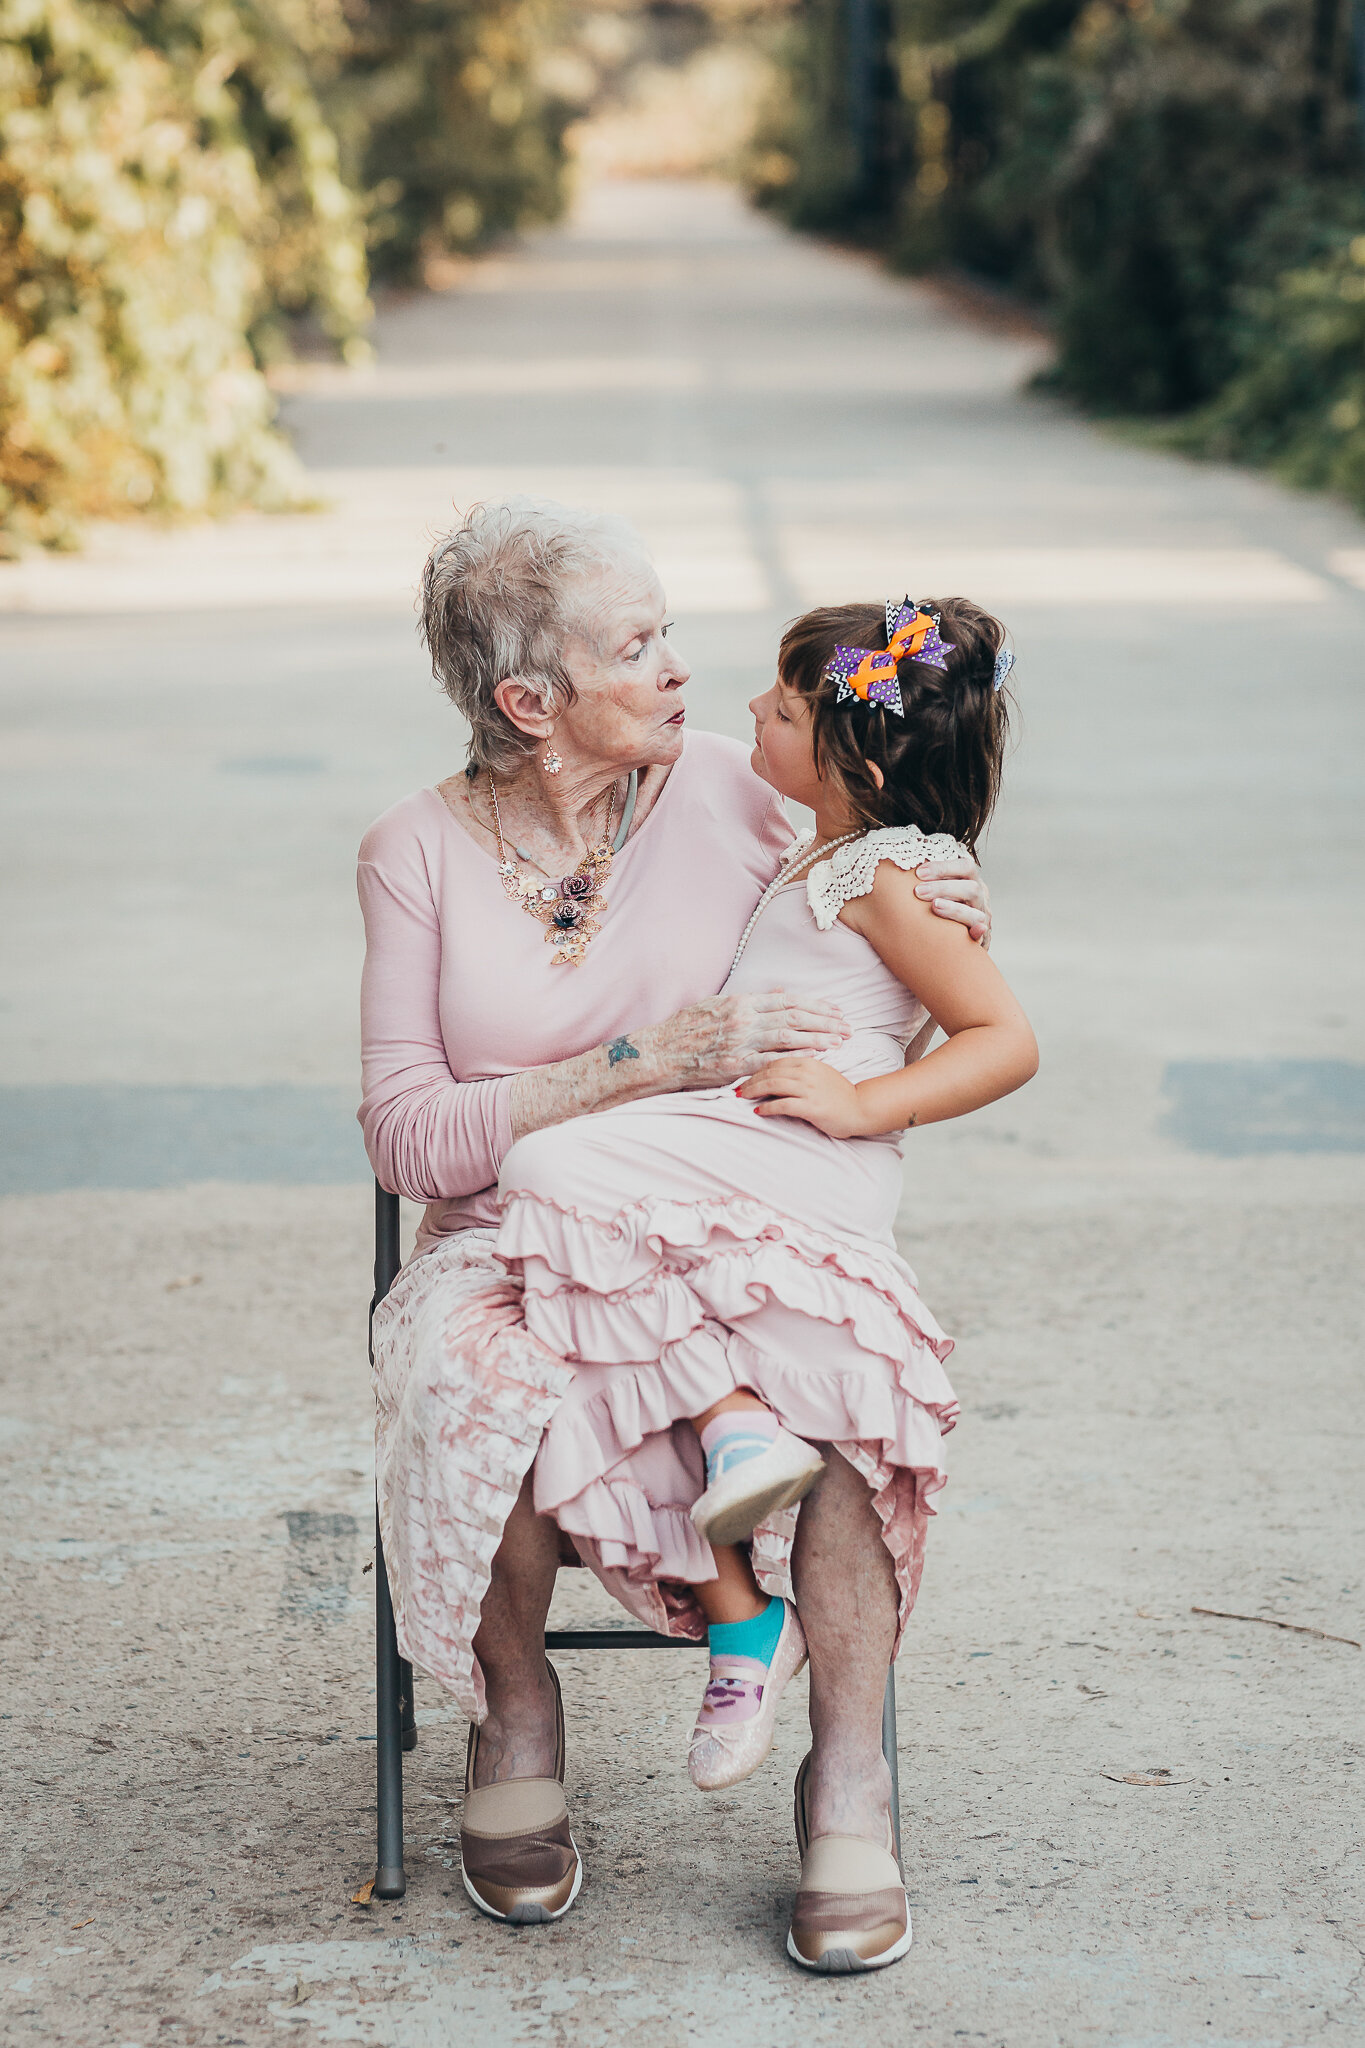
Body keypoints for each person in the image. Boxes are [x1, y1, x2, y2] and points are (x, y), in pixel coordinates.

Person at [358, 499, 993, 1959]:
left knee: (838, 1379)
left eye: (668, 636)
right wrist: (628, 1066)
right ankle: (517, 1713)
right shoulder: (412, 854)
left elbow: (881, 841)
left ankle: (847, 1772)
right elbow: (402, 1135)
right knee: (488, 1382)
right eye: (635, 647)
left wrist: (951, 882)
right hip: (506, 1231)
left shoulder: (731, 783)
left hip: (731, 1205)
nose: (677, 671)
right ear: (530, 701)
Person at [495, 593, 1037, 1970]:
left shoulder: (879, 874)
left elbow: (1001, 1038)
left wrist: (869, 1105)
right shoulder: (818, 850)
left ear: (850, 754)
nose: (747, 713)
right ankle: (744, 1602)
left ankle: (739, 1438)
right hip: (749, 1146)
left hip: (804, 1153)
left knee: (553, 1177)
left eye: (782, 707)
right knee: (567, 1184)